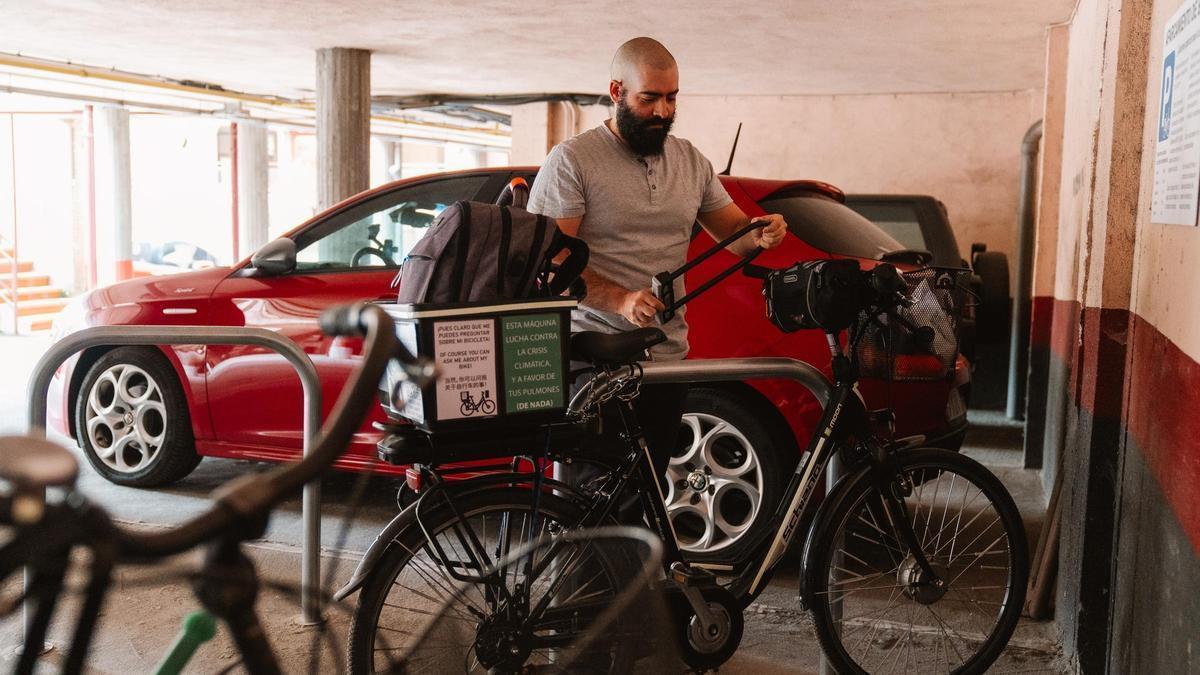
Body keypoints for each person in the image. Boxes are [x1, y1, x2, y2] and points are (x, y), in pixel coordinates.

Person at [528, 37, 789, 494]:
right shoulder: (572, 160)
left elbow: (736, 236)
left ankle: (646, 568)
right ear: (616, 92)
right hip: (593, 358)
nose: (663, 111)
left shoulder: (690, 161)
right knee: (594, 499)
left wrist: (762, 232)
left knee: (647, 495)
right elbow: (553, 262)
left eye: (671, 98)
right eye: (649, 98)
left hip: (665, 358)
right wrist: (620, 299)